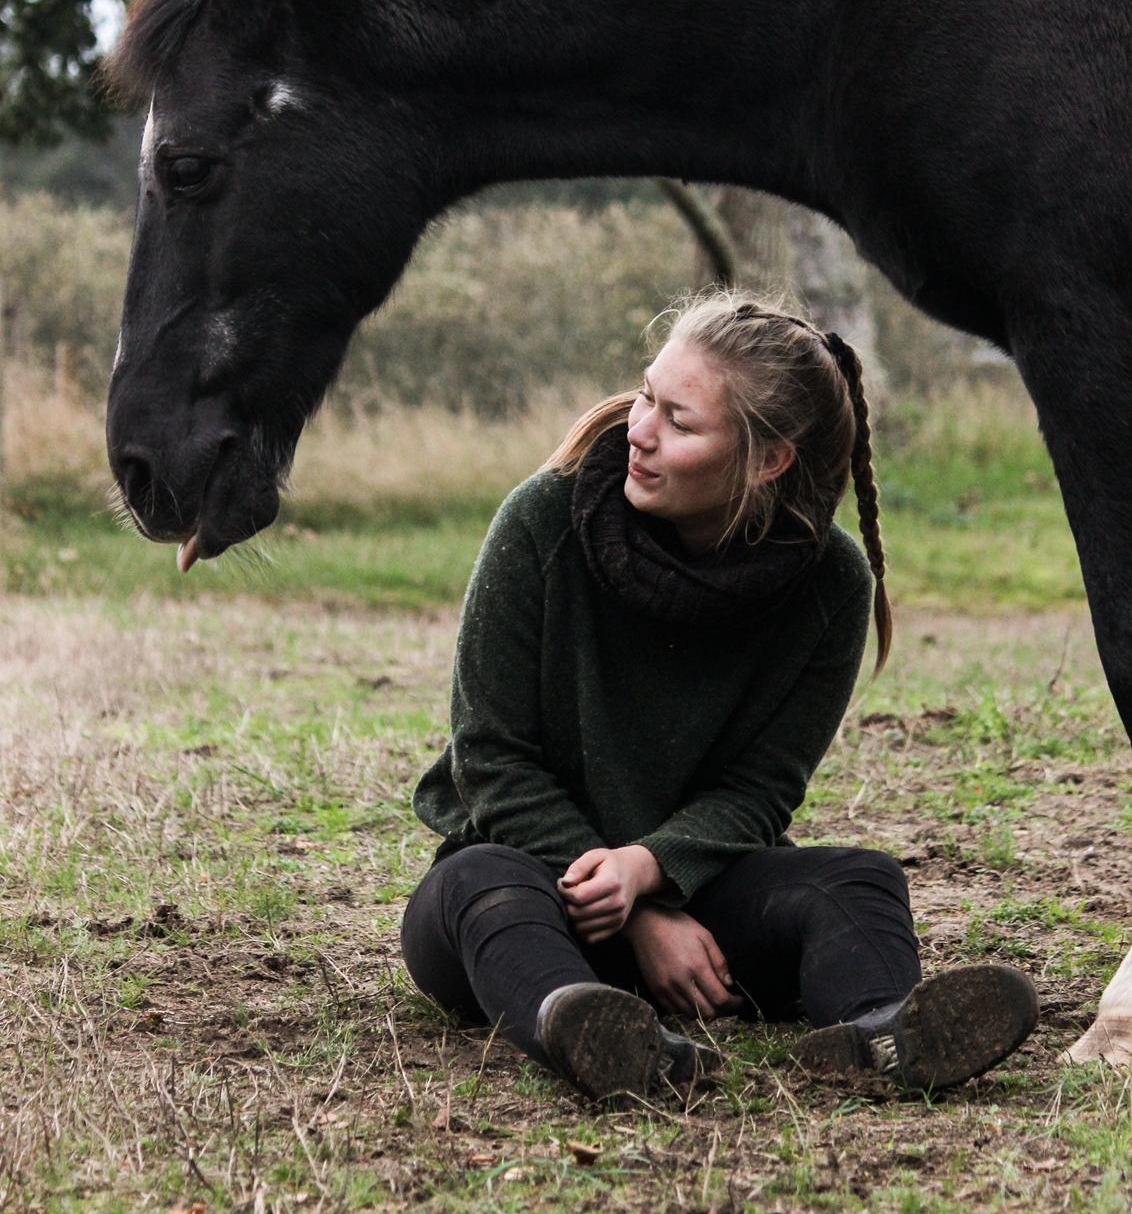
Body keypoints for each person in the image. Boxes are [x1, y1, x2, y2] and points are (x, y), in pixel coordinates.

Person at [401, 291, 1038, 1099]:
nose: (637, 429)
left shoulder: (832, 586)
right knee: (474, 881)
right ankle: (586, 1030)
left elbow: (760, 791)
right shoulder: (542, 520)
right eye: (645, 395)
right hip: (532, 895)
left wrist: (656, 869)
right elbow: (490, 760)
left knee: (859, 880)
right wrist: (636, 910)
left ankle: (884, 1033)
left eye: (679, 420)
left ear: (767, 459)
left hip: (709, 915)